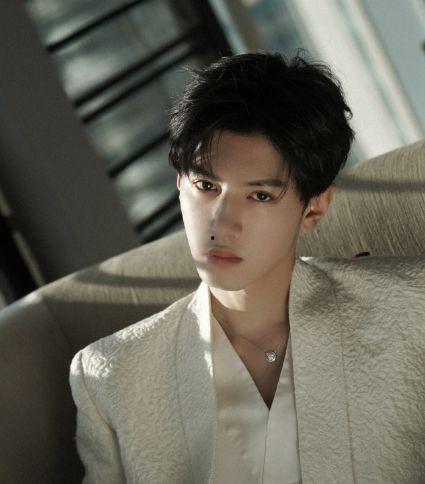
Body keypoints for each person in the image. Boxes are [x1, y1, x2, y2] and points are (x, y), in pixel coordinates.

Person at [69, 52, 425, 483]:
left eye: (259, 196)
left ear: (314, 208)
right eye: (206, 185)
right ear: (180, 185)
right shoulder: (111, 376)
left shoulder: (411, 309)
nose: (222, 223)